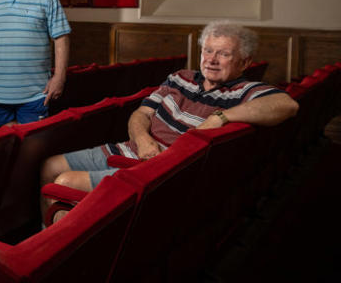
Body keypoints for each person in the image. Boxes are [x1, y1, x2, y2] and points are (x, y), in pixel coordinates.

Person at [40, 21, 299, 218]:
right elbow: (141, 114)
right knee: (50, 166)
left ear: (245, 62)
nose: (211, 60)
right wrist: (142, 140)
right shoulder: (180, 77)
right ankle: (42, 242)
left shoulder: (244, 91)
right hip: (134, 149)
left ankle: (59, 258)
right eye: (208, 50)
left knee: (64, 183)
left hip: (161, 172)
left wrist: (222, 116)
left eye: (223, 54)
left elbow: (286, 104)